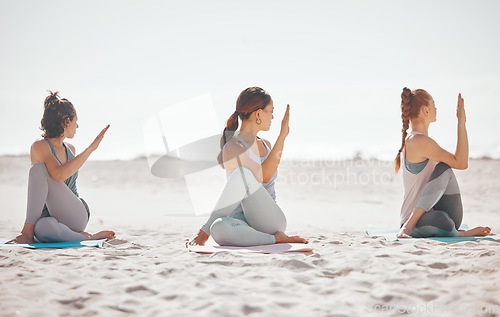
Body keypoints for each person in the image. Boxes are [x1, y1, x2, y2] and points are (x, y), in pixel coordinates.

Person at [188, 87, 308, 247]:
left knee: (243, 174)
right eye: (270, 111)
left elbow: (264, 177)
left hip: (269, 220)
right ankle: (274, 239)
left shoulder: (266, 144)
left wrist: (282, 137)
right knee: (218, 228)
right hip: (239, 221)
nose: (272, 117)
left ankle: (204, 232)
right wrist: (282, 136)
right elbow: (260, 175)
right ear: (258, 114)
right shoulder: (233, 147)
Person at [7, 91, 115, 244]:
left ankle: (27, 232)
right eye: (76, 121)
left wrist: (91, 149)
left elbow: (59, 176)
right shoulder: (40, 146)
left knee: (38, 169)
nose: (77, 126)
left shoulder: (71, 149)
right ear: (66, 121)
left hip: (75, 214)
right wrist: (90, 148)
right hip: (48, 217)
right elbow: (58, 175)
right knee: (44, 230)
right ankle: (87, 237)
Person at [395, 87, 491, 238]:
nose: (436, 108)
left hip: (432, 216)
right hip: (419, 221)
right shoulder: (417, 140)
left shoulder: (420, 140)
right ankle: (408, 226)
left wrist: (461, 123)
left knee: (445, 170)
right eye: (434, 104)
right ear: (426, 111)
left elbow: (461, 163)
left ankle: (454, 231)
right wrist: (461, 123)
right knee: (442, 218)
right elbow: (460, 162)